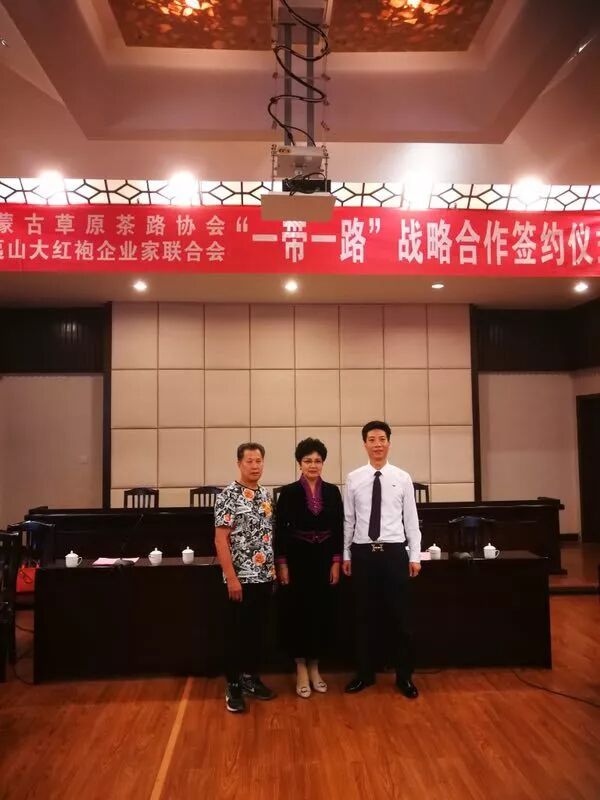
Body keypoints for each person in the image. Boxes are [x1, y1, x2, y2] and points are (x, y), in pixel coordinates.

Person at [342, 421, 421, 698]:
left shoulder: (402, 477)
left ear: (389, 442)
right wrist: (347, 553)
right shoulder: (354, 478)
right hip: (363, 554)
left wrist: (414, 555)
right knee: (364, 616)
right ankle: (365, 674)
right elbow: (349, 520)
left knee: (400, 617)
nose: (377, 444)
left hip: (394, 553)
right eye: (372, 439)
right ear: (364, 444)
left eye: (382, 439)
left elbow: (411, 520)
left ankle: (404, 677)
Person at [274, 438, 343, 698]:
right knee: (297, 613)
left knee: (321, 612)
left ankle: (315, 666)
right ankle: (300, 667)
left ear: (323, 463)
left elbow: (339, 528)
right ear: (299, 464)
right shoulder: (289, 492)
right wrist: (282, 564)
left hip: (324, 559)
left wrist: (336, 561)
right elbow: (280, 531)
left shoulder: (333, 492)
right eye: (307, 461)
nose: (313, 465)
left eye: (317, 461)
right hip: (297, 559)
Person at [214, 442, 276, 713]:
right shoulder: (228, 495)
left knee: (256, 632)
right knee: (236, 634)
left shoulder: (265, 495)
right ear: (239, 463)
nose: (254, 466)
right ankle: (233, 685)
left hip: (264, 576)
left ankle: (251, 678)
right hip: (240, 579)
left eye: (258, 461)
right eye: (249, 461)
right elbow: (220, 540)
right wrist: (231, 578)